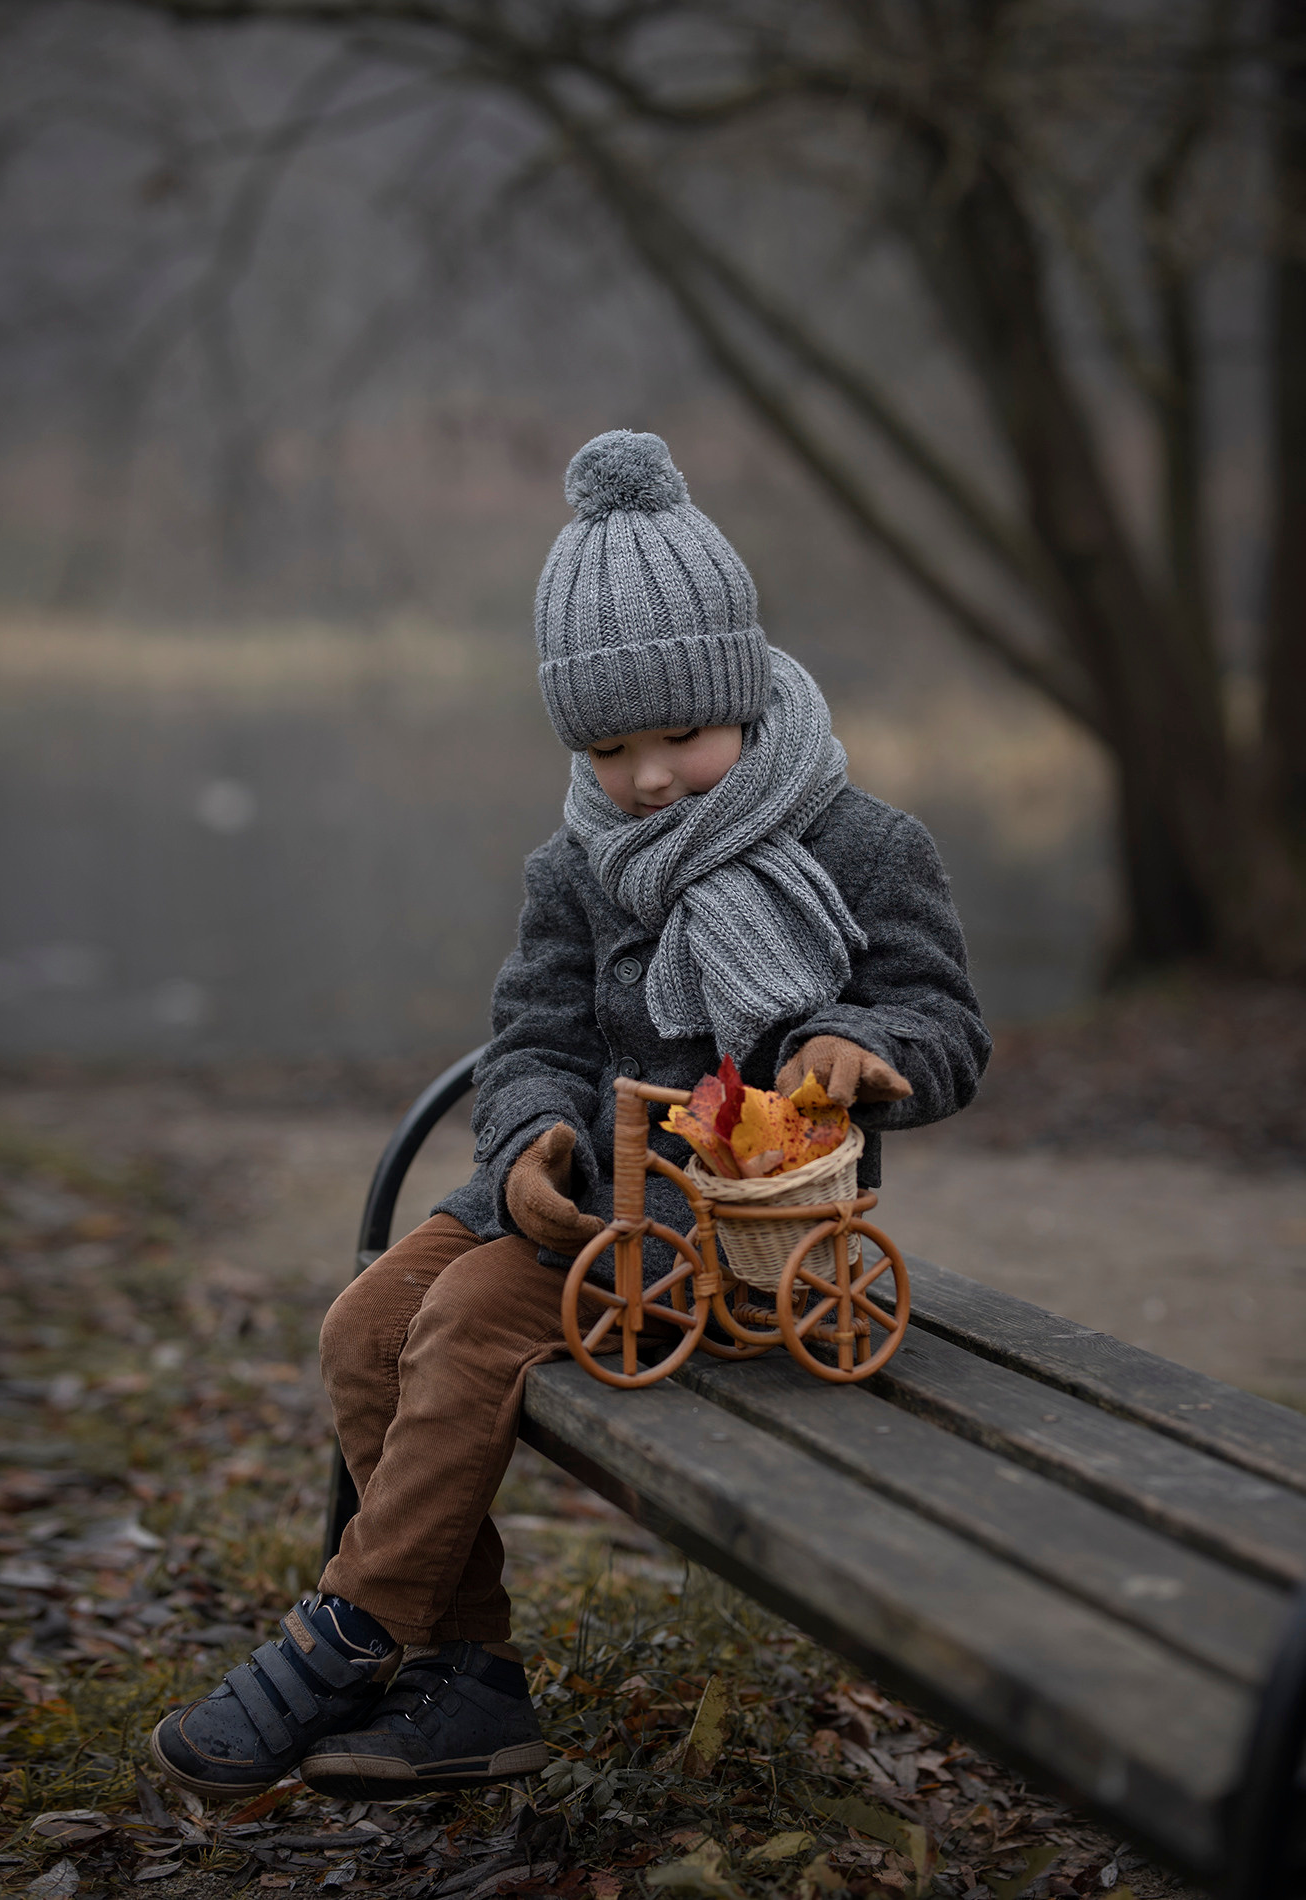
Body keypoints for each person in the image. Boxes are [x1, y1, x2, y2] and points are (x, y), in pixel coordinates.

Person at [150, 429, 990, 1802]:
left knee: (469, 1318)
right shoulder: (578, 864)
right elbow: (531, 1037)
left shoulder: (865, 845)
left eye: (683, 736)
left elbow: (949, 1028)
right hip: (576, 1202)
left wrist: (859, 1039)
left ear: (746, 699)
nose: (650, 777)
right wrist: (528, 1137)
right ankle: (465, 1675)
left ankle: (351, 1632)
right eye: (612, 746)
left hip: (729, 1239)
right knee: (367, 1320)